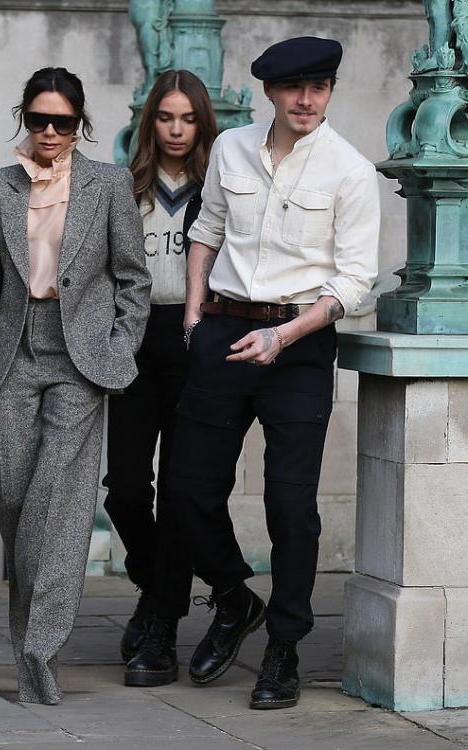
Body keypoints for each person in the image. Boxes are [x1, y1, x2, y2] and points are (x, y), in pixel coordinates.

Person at [167, 37, 380, 709]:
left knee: (291, 507)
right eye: (294, 88)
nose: (306, 100)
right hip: (223, 332)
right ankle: (234, 598)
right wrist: (195, 316)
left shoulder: (350, 170)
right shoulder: (231, 148)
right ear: (270, 92)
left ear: (330, 90)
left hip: (300, 346)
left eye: (319, 87)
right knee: (186, 490)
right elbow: (206, 230)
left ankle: (283, 647)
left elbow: (355, 282)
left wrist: (282, 336)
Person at [0, 67, 150, 705]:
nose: (49, 132)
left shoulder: (109, 184)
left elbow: (133, 279)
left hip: (80, 361)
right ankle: (31, 640)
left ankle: (38, 655)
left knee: (56, 504)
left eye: (62, 122)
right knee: (13, 495)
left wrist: (117, 352)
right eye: (38, 119)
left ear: (79, 124)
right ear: (25, 118)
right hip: (12, 354)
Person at [103, 69, 217, 687]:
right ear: (151, 122)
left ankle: (161, 628)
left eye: (188, 119)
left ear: (202, 124)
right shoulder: (124, 188)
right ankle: (159, 591)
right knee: (124, 488)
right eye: (166, 117)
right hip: (134, 337)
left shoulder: (221, 186)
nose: (176, 130)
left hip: (195, 339)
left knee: (178, 491)